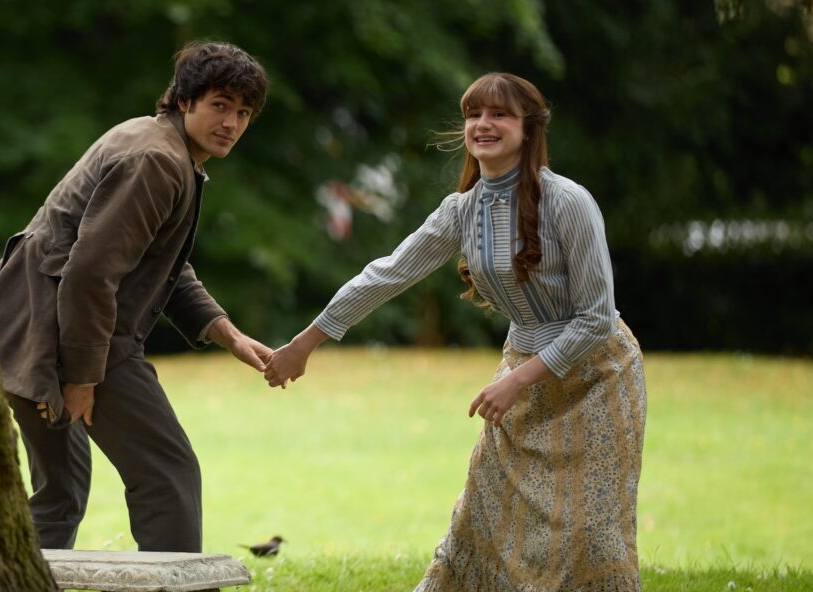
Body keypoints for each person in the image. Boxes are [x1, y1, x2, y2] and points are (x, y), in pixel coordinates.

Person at [264, 72, 647, 590]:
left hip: (595, 379)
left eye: (499, 114)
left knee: (590, 536)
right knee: (487, 525)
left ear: (529, 128)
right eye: (474, 114)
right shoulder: (462, 210)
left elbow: (597, 318)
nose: (483, 124)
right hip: (520, 382)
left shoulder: (568, 201)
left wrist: (515, 381)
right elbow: (388, 273)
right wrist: (306, 343)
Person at [0, 41, 272, 552]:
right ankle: (174, 587)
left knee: (60, 495)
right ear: (185, 100)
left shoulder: (158, 143)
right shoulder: (157, 160)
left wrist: (227, 334)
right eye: (220, 105)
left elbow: (160, 263)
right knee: (168, 473)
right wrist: (82, 378)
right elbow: (90, 273)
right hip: (59, 334)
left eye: (244, 112)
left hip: (20, 326)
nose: (231, 123)